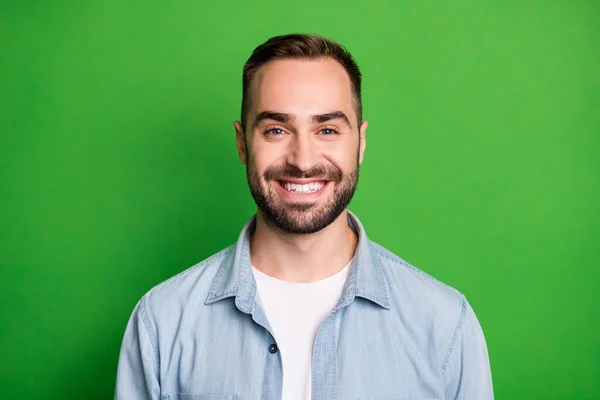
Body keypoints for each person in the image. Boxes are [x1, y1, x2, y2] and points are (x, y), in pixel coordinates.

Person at [115, 33, 494, 400]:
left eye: (327, 129)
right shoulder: (161, 322)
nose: (304, 160)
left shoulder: (445, 326)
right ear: (242, 143)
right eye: (277, 129)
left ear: (360, 143)